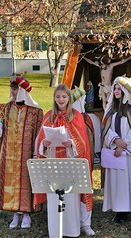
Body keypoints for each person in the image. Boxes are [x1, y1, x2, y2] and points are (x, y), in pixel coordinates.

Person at [34, 84, 93, 237]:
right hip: (52, 163)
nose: (61, 99)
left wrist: (71, 144)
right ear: (54, 98)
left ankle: (71, 230)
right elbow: (40, 141)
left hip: (70, 163)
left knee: (70, 197)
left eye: (64, 96)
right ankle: (55, 230)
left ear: (69, 99)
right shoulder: (49, 116)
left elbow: (82, 143)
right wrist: (44, 145)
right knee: (54, 198)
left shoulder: (76, 116)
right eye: (58, 96)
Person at [0, 75, 43, 229]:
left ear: (23, 90)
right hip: (10, 152)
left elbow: (39, 134)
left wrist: (36, 153)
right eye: (11, 88)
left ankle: (26, 214)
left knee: (26, 182)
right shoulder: (6, 108)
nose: (12, 92)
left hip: (27, 153)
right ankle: (14, 213)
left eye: (15, 88)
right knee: (11, 182)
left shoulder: (36, 111)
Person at [101, 76, 131, 223]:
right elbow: (106, 128)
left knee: (128, 180)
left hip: (128, 153)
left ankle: (127, 210)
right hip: (114, 152)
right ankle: (117, 209)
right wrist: (115, 141)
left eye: (119, 89)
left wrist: (124, 146)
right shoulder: (110, 109)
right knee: (116, 181)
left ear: (126, 91)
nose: (116, 91)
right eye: (115, 88)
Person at [71, 86, 96, 236]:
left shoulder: (86, 118)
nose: (85, 102)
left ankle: (86, 222)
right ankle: (74, 222)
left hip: (85, 160)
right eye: (82, 99)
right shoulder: (70, 117)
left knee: (85, 191)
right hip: (71, 160)